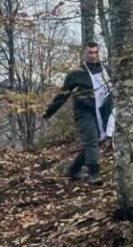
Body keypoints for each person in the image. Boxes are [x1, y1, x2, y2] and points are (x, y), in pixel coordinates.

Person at [43, 42, 115, 185]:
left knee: (96, 142)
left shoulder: (107, 71)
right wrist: (48, 113)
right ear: (84, 54)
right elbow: (63, 95)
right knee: (92, 140)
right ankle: (94, 174)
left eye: (96, 52)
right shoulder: (76, 74)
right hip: (84, 112)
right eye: (90, 53)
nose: (93, 56)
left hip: (104, 112)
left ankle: (73, 170)